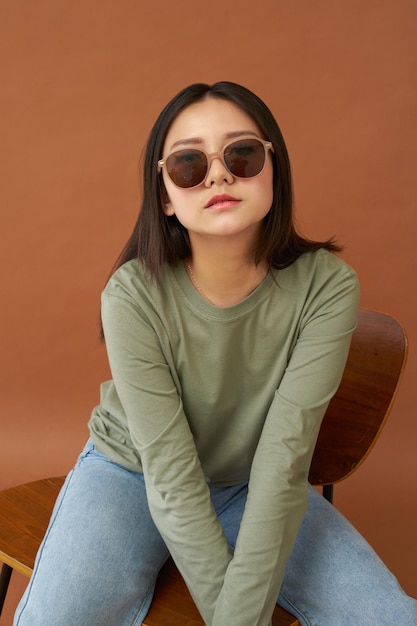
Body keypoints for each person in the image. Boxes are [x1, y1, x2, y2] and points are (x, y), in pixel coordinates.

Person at [14, 81, 417, 626]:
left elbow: (284, 456)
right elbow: (170, 472)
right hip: (130, 474)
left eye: (241, 154)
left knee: (389, 617)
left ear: (273, 167)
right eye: (188, 164)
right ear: (164, 195)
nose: (219, 175)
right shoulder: (132, 295)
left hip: (258, 481)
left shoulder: (328, 288)